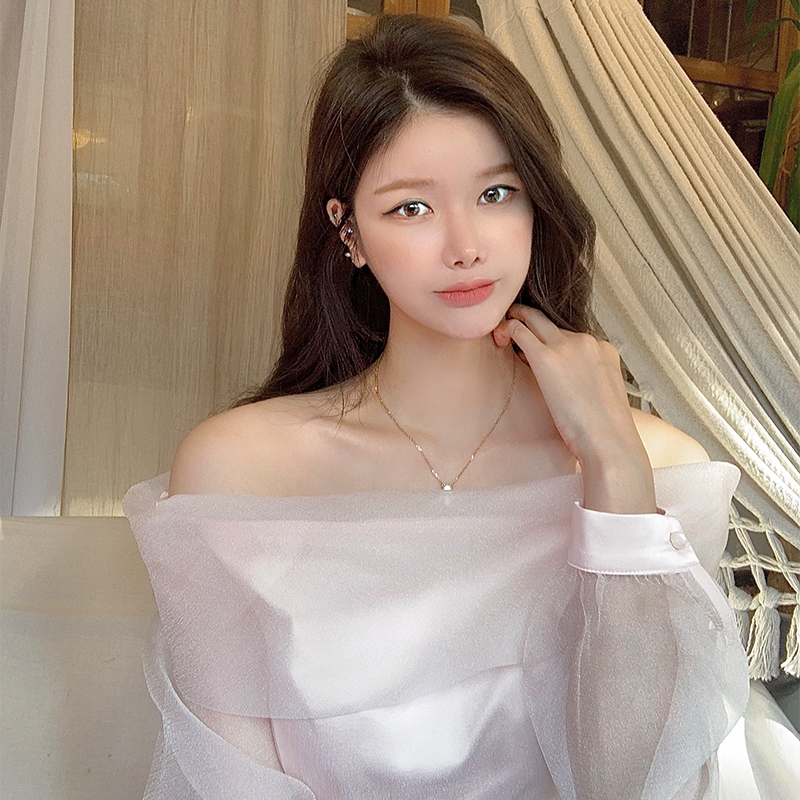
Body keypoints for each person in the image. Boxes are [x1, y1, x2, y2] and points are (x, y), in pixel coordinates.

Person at [123, 13, 754, 799]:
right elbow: (224, 779)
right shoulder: (239, 470)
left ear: (537, 205)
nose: (465, 246)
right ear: (348, 232)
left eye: (496, 193)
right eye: (411, 208)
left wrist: (614, 468)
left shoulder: (661, 468)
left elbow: (638, 780)